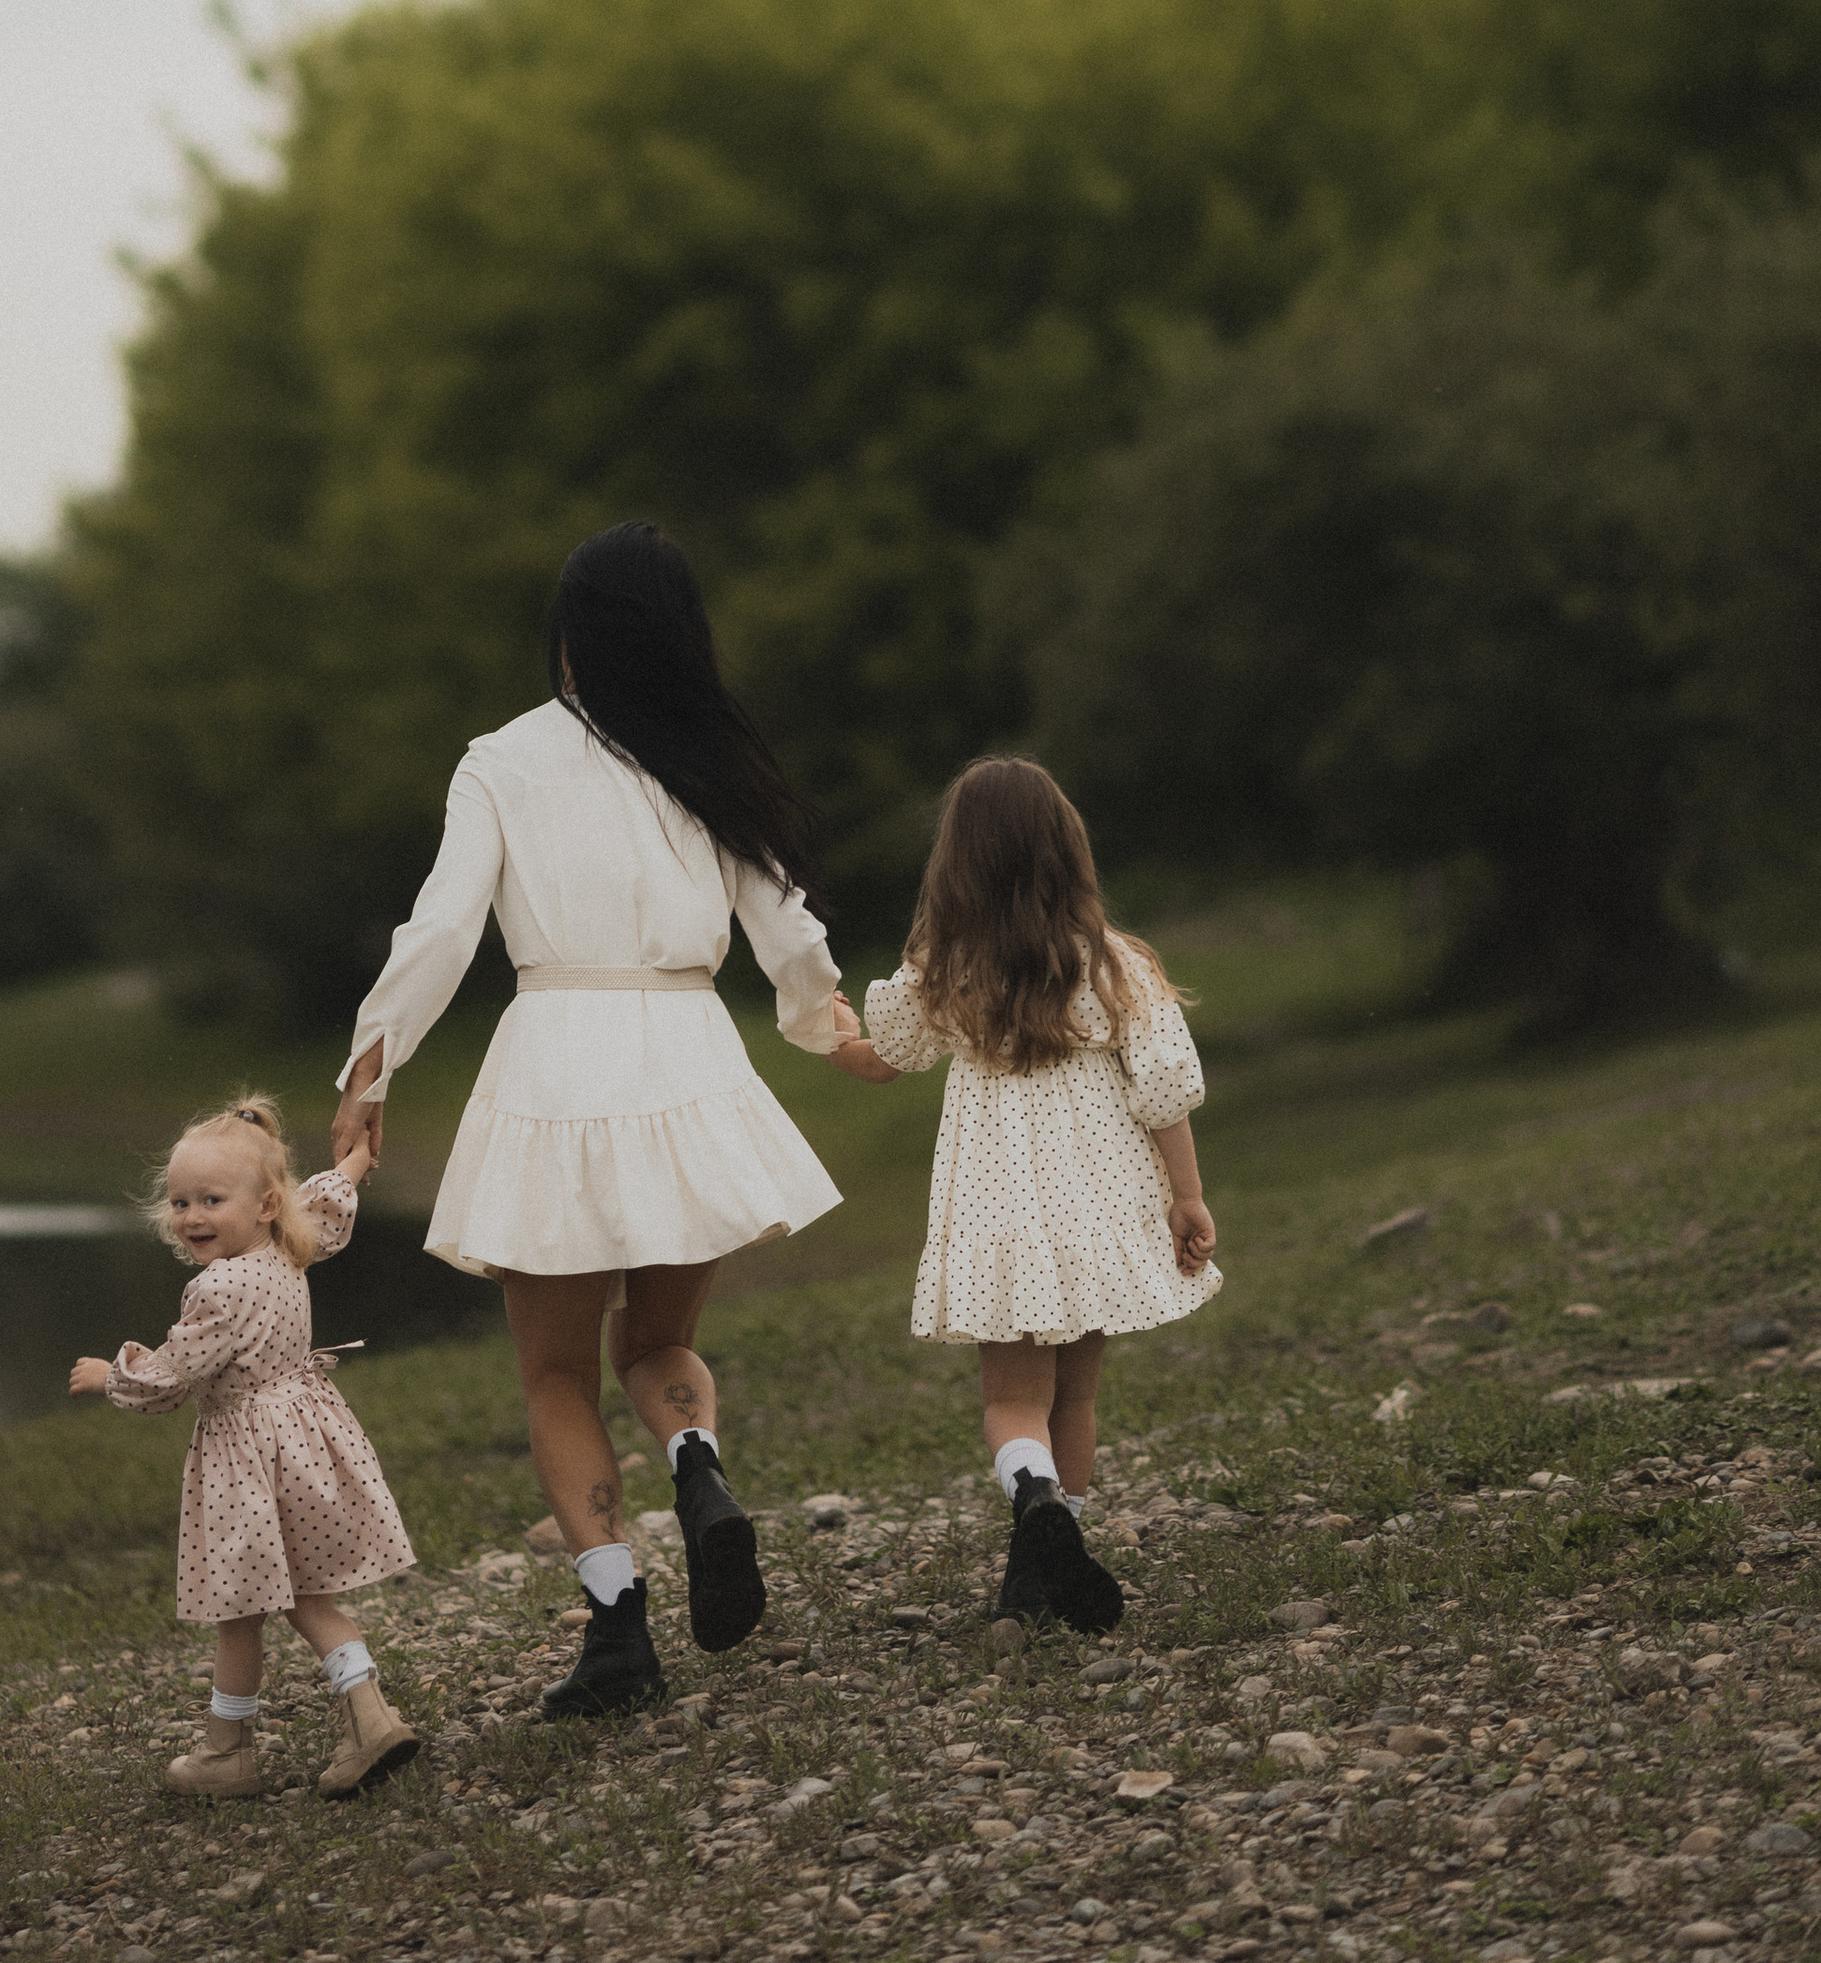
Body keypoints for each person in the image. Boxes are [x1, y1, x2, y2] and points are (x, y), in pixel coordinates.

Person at [331, 520, 873, 1719]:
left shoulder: (502, 760)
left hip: (555, 1070)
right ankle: (696, 1465)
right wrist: (833, 1029)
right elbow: (784, 923)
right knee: (657, 1347)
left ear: (568, 634)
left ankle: (619, 1631)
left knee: (556, 1371)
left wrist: (368, 1076)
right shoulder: (704, 758)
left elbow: (438, 931)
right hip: (686, 1059)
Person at [840, 755, 1220, 1640]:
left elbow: (877, 1060)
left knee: (1010, 1399)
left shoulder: (945, 968)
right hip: (1098, 1200)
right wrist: (1188, 1199)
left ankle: (1035, 1513)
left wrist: (820, 1019)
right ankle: (1060, 1541)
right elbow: (1164, 1091)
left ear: (956, 863)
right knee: (1074, 1398)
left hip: (996, 1207)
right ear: (1066, 850)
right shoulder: (1116, 965)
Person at [70, 1090, 418, 1799]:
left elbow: (171, 1378)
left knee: (239, 1609)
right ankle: (362, 1718)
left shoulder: (220, 1289)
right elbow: (325, 1200)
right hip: (306, 1440)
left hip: (249, 1463)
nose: (192, 1217)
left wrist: (114, 1375)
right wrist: (355, 1159)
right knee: (305, 1598)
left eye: (211, 1200)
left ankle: (234, 1751)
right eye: (181, 1203)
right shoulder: (292, 1245)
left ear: (263, 1205)